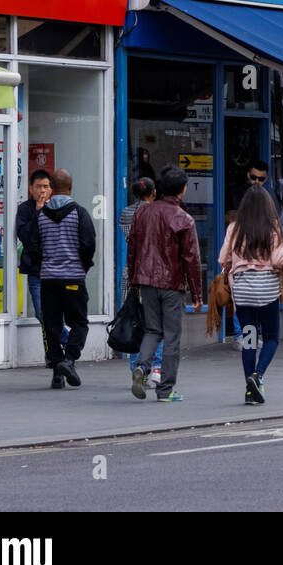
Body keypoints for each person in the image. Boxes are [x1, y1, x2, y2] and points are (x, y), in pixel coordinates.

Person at [219, 185, 283, 405]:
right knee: (270, 338)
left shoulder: (234, 228)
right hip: (266, 291)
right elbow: (278, 260)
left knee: (249, 339)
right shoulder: (273, 227)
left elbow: (223, 259)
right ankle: (257, 376)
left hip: (243, 291)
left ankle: (250, 392)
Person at [128, 167, 203, 402]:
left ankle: (141, 366)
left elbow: (133, 249)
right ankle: (165, 390)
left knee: (152, 329)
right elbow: (192, 259)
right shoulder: (183, 218)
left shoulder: (142, 213)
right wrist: (197, 294)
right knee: (171, 337)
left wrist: (134, 279)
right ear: (182, 190)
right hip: (171, 283)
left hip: (146, 280)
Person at [25, 169, 97, 389]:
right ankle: (69, 360)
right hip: (73, 277)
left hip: (48, 280)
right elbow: (88, 244)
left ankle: (57, 372)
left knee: (52, 325)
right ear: (71, 187)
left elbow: (32, 245)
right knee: (79, 323)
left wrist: (44, 265)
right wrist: (82, 266)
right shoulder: (79, 213)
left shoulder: (40, 215)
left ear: (53, 189)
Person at [15, 168, 65, 354]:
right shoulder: (25, 209)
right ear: (31, 189)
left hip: (57, 270)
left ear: (52, 189)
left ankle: (53, 353)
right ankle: (65, 340)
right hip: (36, 270)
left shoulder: (59, 208)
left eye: (46, 186)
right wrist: (38, 212)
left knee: (56, 314)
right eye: (38, 187)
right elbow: (25, 236)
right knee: (41, 313)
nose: (42, 191)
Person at [119, 178, 161, 388]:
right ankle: (153, 368)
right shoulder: (154, 214)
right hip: (151, 274)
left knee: (134, 320)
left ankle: (135, 366)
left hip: (130, 272)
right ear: (153, 193)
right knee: (155, 325)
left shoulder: (126, 213)